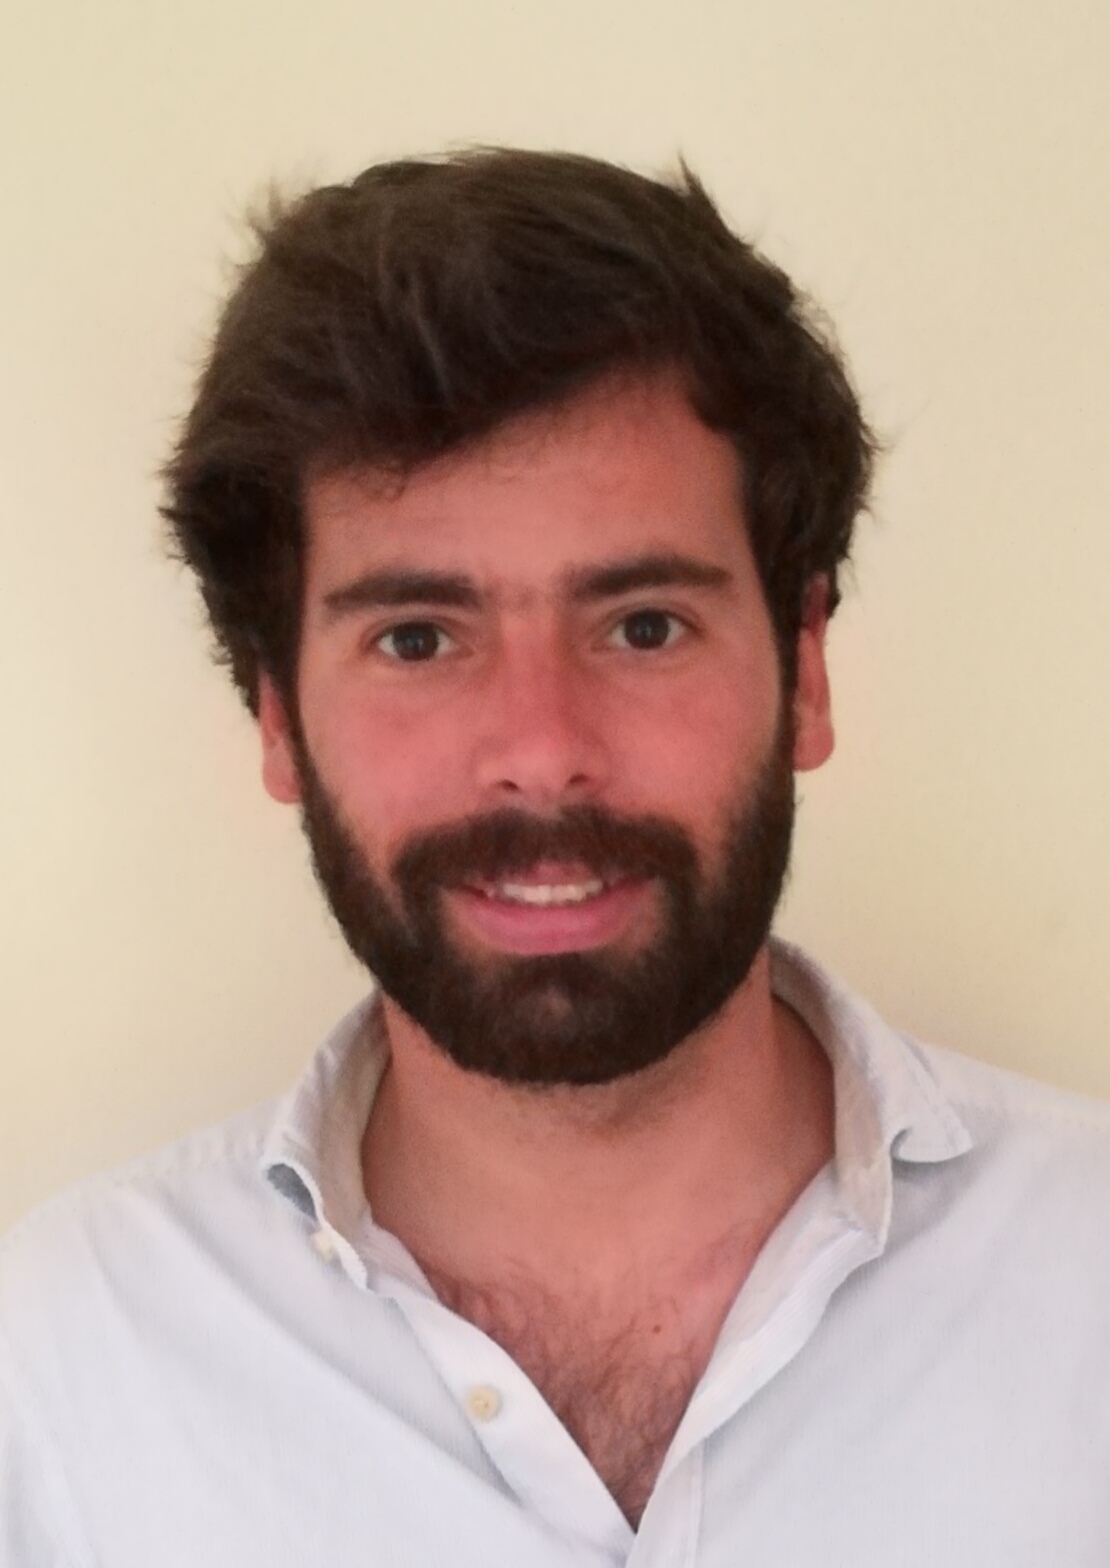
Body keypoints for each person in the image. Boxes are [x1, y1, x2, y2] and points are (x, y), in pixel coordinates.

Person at [2, 149, 1108, 1568]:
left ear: (806, 671)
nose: (540, 751)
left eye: (642, 626)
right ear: (277, 715)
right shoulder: (60, 1377)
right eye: (417, 639)